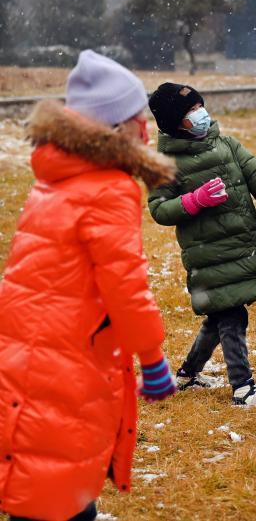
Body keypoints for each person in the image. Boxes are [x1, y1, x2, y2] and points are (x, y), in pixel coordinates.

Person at [0, 50, 176, 521]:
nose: (147, 129)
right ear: (117, 127)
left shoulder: (56, 178)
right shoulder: (109, 189)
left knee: (40, 471)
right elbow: (126, 285)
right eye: (139, 119)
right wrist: (152, 359)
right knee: (55, 484)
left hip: (28, 349)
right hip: (66, 355)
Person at [147, 83, 256, 407]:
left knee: (220, 316)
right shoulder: (165, 164)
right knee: (232, 315)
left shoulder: (226, 144)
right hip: (209, 253)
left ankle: (187, 374)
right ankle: (243, 388)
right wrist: (194, 200)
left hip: (242, 244)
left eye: (199, 106)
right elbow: (159, 209)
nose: (200, 114)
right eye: (191, 111)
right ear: (174, 122)